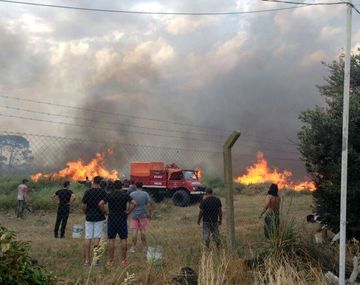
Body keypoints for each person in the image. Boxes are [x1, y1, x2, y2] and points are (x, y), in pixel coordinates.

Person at [100, 180, 136, 267]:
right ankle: (124, 260)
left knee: (111, 239)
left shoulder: (109, 195)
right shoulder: (125, 195)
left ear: (113, 187)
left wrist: (105, 212)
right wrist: (128, 212)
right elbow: (134, 203)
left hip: (112, 218)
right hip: (122, 218)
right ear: (122, 186)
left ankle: (111, 261)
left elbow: (100, 203)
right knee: (123, 239)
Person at [81, 176, 107, 266]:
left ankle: (86, 261)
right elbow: (102, 205)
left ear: (93, 182)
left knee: (88, 237)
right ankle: (95, 260)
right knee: (97, 237)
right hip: (99, 217)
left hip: (89, 217)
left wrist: (86, 213)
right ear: (100, 182)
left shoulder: (88, 192)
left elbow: (84, 205)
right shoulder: (103, 192)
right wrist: (104, 212)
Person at [129, 182, 152, 253]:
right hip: (143, 215)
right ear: (142, 186)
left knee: (134, 231)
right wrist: (149, 213)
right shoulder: (145, 194)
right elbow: (148, 204)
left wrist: (128, 212)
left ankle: (133, 247)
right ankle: (145, 247)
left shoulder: (132, 194)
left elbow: (130, 205)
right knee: (142, 231)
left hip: (134, 215)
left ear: (135, 186)